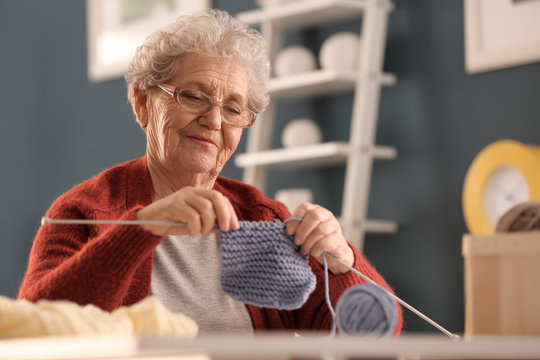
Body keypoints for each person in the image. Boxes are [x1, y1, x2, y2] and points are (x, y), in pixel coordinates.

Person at [18, 9, 402, 335]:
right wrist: (143, 227)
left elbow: (375, 336)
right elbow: (36, 330)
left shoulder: (262, 218)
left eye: (233, 109)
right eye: (193, 96)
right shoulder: (85, 211)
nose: (214, 120)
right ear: (142, 103)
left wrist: (342, 262)